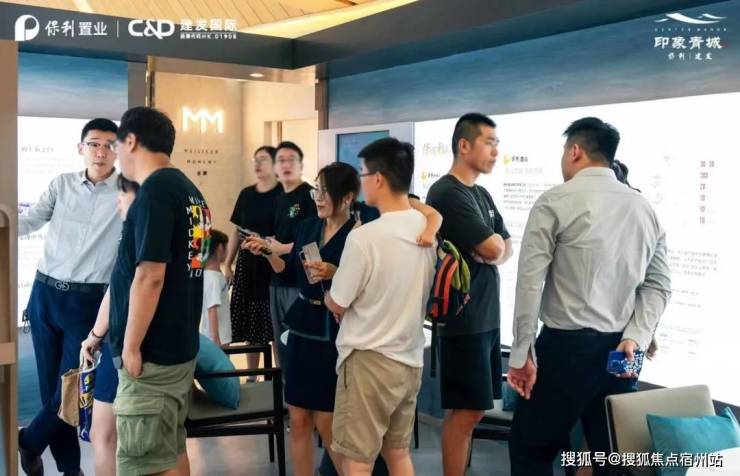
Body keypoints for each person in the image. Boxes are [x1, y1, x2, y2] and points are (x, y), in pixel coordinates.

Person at [507, 117, 671, 476]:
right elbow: (658, 285)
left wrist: (522, 354)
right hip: (624, 351)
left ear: (575, 151)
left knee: (531, 450)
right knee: (609, 455)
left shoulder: (555, 201)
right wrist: (637, 336)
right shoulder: (645, 208)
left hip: (566, 348)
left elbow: (530, 283)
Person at [108, 106, 211, 476]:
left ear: (131, 141)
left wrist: (131, 346)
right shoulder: (190, 192)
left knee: (143, 462)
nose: (115, 154)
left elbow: (150, 276)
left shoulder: (155, 192)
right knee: (168, 450)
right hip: (178, 346)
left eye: (115, 144)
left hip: (152, 354)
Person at [325, 138, 437, 476]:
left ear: (378, 178)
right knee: (397, 453)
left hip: (369, 361)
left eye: (362, 173)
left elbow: (338, 302)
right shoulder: (427, 229)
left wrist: (329, 294)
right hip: (410, 358)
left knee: (357, 462)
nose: (361, 182)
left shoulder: (364, 237)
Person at [18, 118, 121, 476]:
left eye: (109, 145)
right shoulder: (61, 184)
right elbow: (30, 221)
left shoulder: (128, 194)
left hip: (88, 302)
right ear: (81, 148)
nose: (101, 151)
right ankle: (70, 468)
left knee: (72, 388)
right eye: (94, 143)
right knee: (52, 388)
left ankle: (29, 441)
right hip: (45, 294)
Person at [245, 162, 359, 476]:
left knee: (326, 420)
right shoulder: (307, 227)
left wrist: (335, 272)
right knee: (298, 419)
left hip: (333, 328)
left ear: (347, 197)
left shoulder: (359, 234)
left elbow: (366, 284)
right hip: (301, 323)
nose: (318, 197)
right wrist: (268, 252)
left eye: (324, 191)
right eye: (316, 191)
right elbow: (288, 271)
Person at [425, 113, 513, 476]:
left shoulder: (480, 193)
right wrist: (492, 250)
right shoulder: (446, 192)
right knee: (465, 412)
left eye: (497, 144)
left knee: (473, 410)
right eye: (489, 143)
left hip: (485, 316)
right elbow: (493, 248)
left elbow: (505, 245)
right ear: (464, 145)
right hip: (464, 320)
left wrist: (493, 251)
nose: (496, 151)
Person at [79, 175, 140, 476]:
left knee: (102, 435)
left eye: (123, 195)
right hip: (147, 347)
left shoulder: (134, 235)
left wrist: (94, 335)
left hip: (123, 345)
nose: (118, 201)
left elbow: (118, 291)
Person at [226, 146, 281, 374]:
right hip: (247, 265)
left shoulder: (284, 195)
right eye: (255, 160)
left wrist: (266, 242)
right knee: (252, 327)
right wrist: (228, 264)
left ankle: (279, 377)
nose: (257, 164)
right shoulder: (246, 194)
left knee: (274, 327)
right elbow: (236, 231)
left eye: (263, 159)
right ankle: (252, 376)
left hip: (272, 265)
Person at [263, 141, 318, 366]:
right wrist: (267, 245)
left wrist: (282, 248)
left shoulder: (310, 196)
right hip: (277, 278)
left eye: (291, 160)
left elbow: (315, 242)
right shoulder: (278, 199)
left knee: (298, 342)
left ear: (301, 165)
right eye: (281, 160)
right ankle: (284, 386)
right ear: (275, 167)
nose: (286, 165)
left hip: (300, 283)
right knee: (280, 343)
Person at [200, 229, 233, 347]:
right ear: (220, 248)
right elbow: (212, 309)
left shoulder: (212, 274)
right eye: (226, 247)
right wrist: (216, 339)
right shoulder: (213, 279)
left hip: (220, 337)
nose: (228, 251)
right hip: (218, 339)